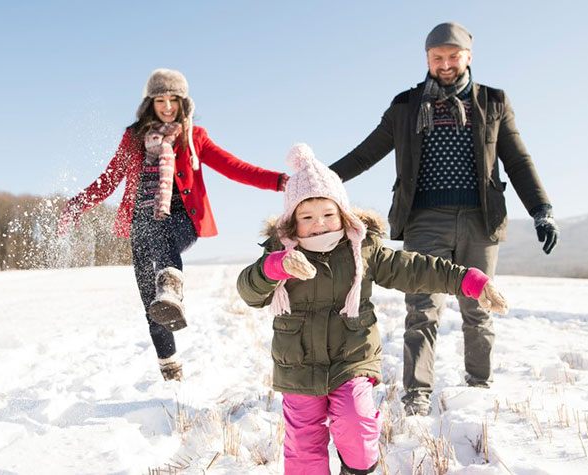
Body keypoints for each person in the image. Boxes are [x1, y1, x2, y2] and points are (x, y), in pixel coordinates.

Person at [328, 22, 560, 416]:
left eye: (454, 56)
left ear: (469, 57)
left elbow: (518, 160)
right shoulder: (405, 107)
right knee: (422, 307)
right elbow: (365, 155)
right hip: (424, 220)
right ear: (427, 59)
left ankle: (479, 384)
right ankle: (417, 395)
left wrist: (541, 209)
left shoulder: (493, 102)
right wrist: (318, 181)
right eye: (438, 58)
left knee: (479, 305)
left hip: (480, 220)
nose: (446, 64)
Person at [237, 144, 508, 474]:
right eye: (307, 217)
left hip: (352, 356)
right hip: (297, 364)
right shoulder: (280, 252)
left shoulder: (362, 248)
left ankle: (357, 469)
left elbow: (415, 268)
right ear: (292, 222)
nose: (319, 224)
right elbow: (249, 291)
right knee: (303, 445)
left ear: (343, 214)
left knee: (356, 421)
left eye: (328, 214)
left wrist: (470, 281)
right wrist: (274, 267)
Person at [58, 68, 287, 381]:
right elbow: (111, 178)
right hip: (139, 222)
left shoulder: (194, 137)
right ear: (150, 103)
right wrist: (77, 205)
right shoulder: (134, 138)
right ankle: (170, 368)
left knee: (161, 236)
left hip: (181, 219)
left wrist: (279, 181)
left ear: (183, 103)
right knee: (152, 303)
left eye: (173, 100)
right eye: (160, 99)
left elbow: (234, 167)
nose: (167, 106)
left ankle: (171, 288)